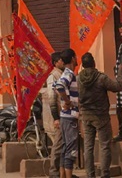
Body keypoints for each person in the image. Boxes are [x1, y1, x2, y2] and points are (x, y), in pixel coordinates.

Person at [78, 52, 122, 178]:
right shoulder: (101, 78)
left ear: (82, 65)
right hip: (101, 116)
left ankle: (90, 174)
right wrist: (120, 71)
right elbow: (118, 86)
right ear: (94, 63)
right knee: (104, 146)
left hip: (86, 116)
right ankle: (104, 174)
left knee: (88, 147)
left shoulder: (78, 79)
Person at [53, 48, 79, 178]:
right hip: (69, 117)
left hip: (64, 117)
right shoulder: (69, 74)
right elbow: (59, 86)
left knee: (65, 148)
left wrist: (64, 98)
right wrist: (67, 101)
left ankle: (62, 175)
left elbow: (56, 86)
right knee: (71, 149)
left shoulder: (64, 73)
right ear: (73, 58)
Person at [42, 52, 64, 178]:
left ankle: (61, 173)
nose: (63, 62)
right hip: (56, 117)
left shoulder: (61, 74)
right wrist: (56, 117)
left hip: (62, 115)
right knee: (57, 144)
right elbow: (52, 98)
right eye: (61, 60)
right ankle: (54, 172)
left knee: (61, 145)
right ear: (56, 63)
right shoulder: (53, 76)